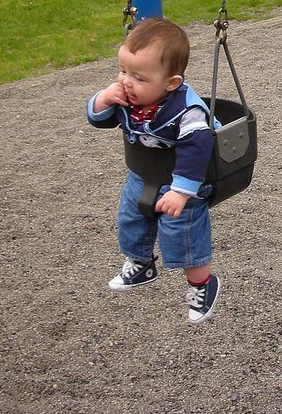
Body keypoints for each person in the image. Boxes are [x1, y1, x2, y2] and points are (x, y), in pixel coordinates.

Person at [88, 17, 220, 324]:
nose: (126, 81)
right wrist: (104, 99)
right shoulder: (130, 96)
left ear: (171, 83)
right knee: (131, 217)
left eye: (138, 77)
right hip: (146, 171)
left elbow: (198, 150)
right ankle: (141, 263)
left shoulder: (188, 113)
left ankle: (202, 285)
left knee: (181, 232)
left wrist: (180, 192)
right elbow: (98, 119)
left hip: (186, 181)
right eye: (122, 71)